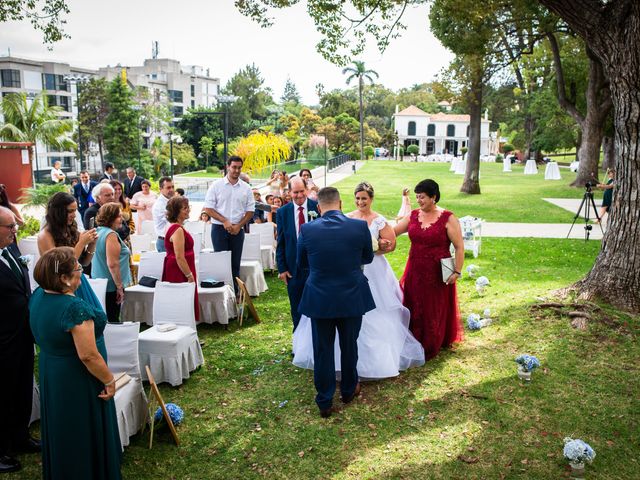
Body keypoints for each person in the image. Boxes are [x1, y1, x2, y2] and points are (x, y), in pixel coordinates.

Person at [293, 182, 425, 378]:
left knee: (370, 317)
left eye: (364, 198)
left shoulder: (376, 221)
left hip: (368, 273)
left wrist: (378, 246)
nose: (361, 201)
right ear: (345, 202)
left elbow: (389, 246)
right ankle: (346, 374)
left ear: (371, 199)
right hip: (350, 273)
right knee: (348, 329)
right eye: (358, 198)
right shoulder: (349, 220)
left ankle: (365, 365)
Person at [29, 247, 121, 479]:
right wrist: (109, 379)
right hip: (78, 377)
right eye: (78, 269)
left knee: (63, 424)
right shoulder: (74, 308)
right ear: (64, 278)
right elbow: (88, 355)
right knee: (80, 427)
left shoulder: (39, 295)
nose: (82, 271)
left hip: (52, 371)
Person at [296, 187, 375, 418]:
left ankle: (324, 400)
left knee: (323, 350)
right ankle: (349, 390)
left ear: (319, 207)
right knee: (350, 345)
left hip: (320, 298)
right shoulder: (359, 227)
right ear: (340, 204)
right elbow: (367, 257)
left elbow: (301, 262)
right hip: (351, 295)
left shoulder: (307, 229)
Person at [394, 179, 464, 360]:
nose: (419, 200)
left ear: (433, 197)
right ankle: (413, 338)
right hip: (415, 269)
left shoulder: (448, 218)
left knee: (434, 307)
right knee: (414, 302)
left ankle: (433, 341)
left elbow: (459, 246)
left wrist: (457, 271)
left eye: (422, 197)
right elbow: (394, 231)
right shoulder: (413, 215)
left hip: (438, 272)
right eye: (417, 197)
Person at [0, 206, 37, 474]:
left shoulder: (12, 250)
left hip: (23, 333)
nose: (16, 231)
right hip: (2, 339)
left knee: (22, 387)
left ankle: (20, 437)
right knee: (3, 396)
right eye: (10, 227)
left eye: (14, 225)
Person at [37, 192, 103, 310]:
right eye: (70, 211)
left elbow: (84, 263)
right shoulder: (45, 236)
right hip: (61, 288)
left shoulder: (71, 229)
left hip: (78, 281)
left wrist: (92, 244)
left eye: (75, 211)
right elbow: (58, 268)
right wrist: (81, 243)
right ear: (58, 212)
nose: (74, 215)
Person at [202, 156, 255, 295]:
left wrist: (239, 226)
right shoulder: (216, 185)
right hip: (219, 229)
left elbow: (250, 211)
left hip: (238, 229)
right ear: (228, 167)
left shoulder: (246, 188)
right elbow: (208, 208)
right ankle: (223, 295)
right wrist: (224, 220)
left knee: (235, 264)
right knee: (221, 264)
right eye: (234, 167)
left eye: (239, 167)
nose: (236, 170)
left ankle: (235, 293)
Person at [276, 177, 319, 332]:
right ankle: (299, 342)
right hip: (293, 269)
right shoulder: (282, 212)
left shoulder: (317, 207)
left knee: (317, 306)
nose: (299, 195)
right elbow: (280, 242)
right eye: (296, 192)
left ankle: (315, 339)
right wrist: (282, 268)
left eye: (302, 191)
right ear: (289, 192)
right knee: (297, 307)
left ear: (306, 190)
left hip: (316, 267)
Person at [92, 203, 133, 322]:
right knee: (112, 318)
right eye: (119, 216)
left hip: (99, 281)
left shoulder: (98, 231)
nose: (122, 219)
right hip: (111, 285)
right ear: (110, 218)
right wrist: (119, 287)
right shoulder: (111, 235)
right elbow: (112, 263)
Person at [162, 196, 199, 320]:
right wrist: (189, 275)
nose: (188, 210)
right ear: (176, 211)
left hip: (180, 266)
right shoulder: (177, 229)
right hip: (179, 269)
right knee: (182, 299)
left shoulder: (177, 227)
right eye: (185, 208)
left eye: (188, 207)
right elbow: (179, 256)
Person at [151, 177, 175, 252]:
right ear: (160, 189)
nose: (171, 190)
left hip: (173, 240)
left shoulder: (171, 200)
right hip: (164, 242)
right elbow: (173, 220)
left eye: (172, 187)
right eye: (168, 188)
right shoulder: (159, 205)